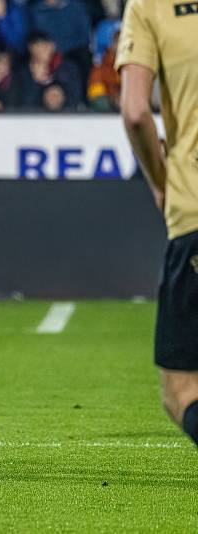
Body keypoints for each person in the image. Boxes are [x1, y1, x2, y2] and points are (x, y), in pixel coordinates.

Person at [116, 0, 198, 448]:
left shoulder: (151, 6)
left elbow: (135, 111)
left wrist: (162, 183)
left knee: (181, 390)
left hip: (194, 205)